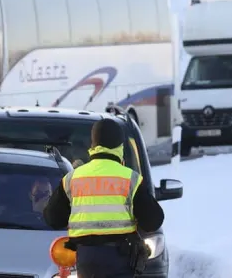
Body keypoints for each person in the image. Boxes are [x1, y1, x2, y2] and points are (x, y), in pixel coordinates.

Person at [43, 118, 165, 278]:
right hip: (120, 259)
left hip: (86, 260)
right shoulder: (130, 179)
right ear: (119, 147)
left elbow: (53, 218)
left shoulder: (73, 178)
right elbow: (153, 221)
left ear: (93, 146)